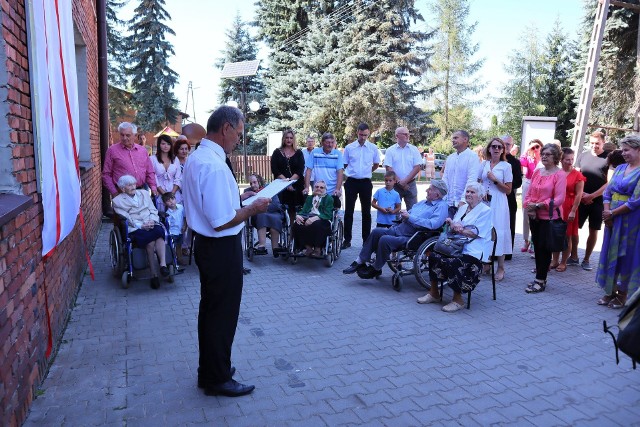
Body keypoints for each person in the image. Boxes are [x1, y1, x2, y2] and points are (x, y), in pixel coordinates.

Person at [182, 106, 270, 397]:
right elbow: (221, 222)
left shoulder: (199, 157)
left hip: (208, 247)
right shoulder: (215, 165)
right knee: (222, 315)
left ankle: (211, 369)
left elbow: (214, 204)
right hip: (220, 248)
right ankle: (217, 378)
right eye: (239, 134)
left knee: (211, 312)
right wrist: (252, 208)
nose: (239, 140)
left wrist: (241, 198)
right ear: (226, 129)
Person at [343, 180, 448, 278]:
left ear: (437, 194)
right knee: (376, 232)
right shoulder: (422, 202)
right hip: (400, 229)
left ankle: (376, 268)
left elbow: (433, 224)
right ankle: (360, 261)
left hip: (413, 236)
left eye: (430, 189)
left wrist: (410, 217)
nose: (426, 190)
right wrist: (403, 215)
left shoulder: (441, 206)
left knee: (385, 239)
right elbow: (409, 213)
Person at [417, 182, 492, 312]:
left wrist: (460, 229)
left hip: (474, 249)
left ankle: (458, 300)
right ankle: (434, 293)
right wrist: (451, 222)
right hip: (456, 245)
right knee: (434, 255)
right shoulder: (463, 208)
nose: (468, 194)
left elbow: (477, 233)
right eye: (467, 191)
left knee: (455, 262)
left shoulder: (486, 211)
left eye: (472, 192)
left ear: (480, 196)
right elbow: (455, 224)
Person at [596, 135, 640, 309]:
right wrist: (607, 212)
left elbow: (635, 201)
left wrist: (612, 213)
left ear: (638, 150)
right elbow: (608, 192)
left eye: (627, 150)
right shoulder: (620, 168)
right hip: (612, 218)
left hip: (631, 220)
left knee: (625, 254)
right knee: (609, 251)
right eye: (622, 150)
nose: (623, 153)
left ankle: (623, 294)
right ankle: (610, 291)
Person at [112, 175, 169, 289]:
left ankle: (163, 265)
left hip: (150, 222)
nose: (133, 186)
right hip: (136, 227)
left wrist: (152, 221)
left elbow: (153, 209)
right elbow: (126, 217)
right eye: (129, 185)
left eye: (134, 183)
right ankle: (154, 273)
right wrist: (141, 225)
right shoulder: (117, 201)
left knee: (159, 233)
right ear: (123, 189)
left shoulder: (143, 193)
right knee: (150, 240)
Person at [523, 144, 566, 294]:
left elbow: (559, 198)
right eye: (543, 154)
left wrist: (539, 206)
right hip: (534, 216)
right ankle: (539, 277)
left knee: (544, 249)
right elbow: (528, 193)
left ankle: (540, 280)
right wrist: (529, 206)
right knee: (537, 248)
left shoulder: (559, 174)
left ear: (556, 157)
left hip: (548, 217)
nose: (545, 156)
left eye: (548, 154)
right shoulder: (537, 172)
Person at [478, 137, 513, 281]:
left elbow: (508, 190)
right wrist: (482, 191)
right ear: (489, 149)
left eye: (500, 147)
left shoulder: (506, 166)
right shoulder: (484, 164)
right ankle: (486, 263)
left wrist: (494, 179)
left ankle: (501, 267)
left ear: (503, 150)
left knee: (499, 231)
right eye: (494, 146)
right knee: (485, 231)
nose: (496, 149)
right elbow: (478, 181)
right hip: (485, 203)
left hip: (499, 202)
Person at [575, 130, 610, 271]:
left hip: (598, 201)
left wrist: (592, 196)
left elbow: (609, 182)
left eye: (597, 143)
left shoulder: (608, 158)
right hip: (581, 198)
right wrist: (582, 194)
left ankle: (587, 259)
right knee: (574, 229)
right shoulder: (583, 156)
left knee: (593, 230)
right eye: (592, 143)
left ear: (603, 143)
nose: (594, 146)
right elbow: (576, 176)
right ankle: (573, 256)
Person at [342, 123, 380, 249]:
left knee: (366, 213)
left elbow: (375, 164)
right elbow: (345, 164)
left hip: (365, 183)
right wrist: (354, 172)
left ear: (368, 134)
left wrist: (366, 172)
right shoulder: (349, 147)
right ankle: (347, 240)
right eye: (361, 134)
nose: (363, 137)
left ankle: (366, 241)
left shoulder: (373, 148)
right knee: (348, 212)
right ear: (357, 132)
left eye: (365, 135)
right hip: (351, 182)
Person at [551, 148, 585, 272]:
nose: (570, 162)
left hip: (570, 206)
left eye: (572, 159)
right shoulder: (556, 172)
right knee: (555, 233)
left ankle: (563, 262)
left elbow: (579, 194)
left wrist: (573, 210)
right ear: (561, 159)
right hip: (557, 206)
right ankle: (554, 260)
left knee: (567, 235)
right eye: (567, 159)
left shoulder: (578, 175)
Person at [102, 122, 157, 197]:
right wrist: (114, 192)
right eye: (122, 135)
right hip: (121, 193)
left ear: (135, 136)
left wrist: (153, 187)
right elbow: (106, 174)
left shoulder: (142, 151)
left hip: (141, 192)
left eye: (128, 135)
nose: (124, 138)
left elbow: (149, 171)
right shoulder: (112, 150)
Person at [442, 130, 480, 219]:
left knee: (461, 230)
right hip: (449, 203)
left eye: (456, 138)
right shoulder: (450, 158)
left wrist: (463, 200)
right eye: (452, 138)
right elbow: (445, 178)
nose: (453, 140)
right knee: (447, 229)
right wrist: (443, 197)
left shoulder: (472, 156)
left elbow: (472, 180)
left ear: (465, 139)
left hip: (465, 203)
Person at [292, 180, 335, 257]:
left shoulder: (329, 199)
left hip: (322, 219)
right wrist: (298, 215)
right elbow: (304, 210)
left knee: (316, 225)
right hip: (308, 216)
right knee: (297, 225)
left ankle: (317, 249)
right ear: (313, 188)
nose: (319, 188)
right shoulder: (309, 198)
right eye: (317, 187)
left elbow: (328, 214)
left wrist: (316, 218)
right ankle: (308, 248)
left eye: (321, 187)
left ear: (325, 189)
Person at [383, 127, 422, 211]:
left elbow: (417, 167)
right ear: (397, 136)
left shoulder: (414, 149)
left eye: (408, 134)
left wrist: (405, 181)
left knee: (413, 211)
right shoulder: (390, 150)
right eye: (405, 134)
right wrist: (400, 182)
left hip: (410, 185)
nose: (408, 135)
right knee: (394, 211)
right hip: (395, 185)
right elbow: (389, 168)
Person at [244, 174, 283, 256]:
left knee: (276, 218)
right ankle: (262, 246)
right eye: (251, 183)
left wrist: (263, 206)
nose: (253, 185)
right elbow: (246, 206)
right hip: (258, 215)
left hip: (272, 212)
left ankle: (275, 248)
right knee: (261, 215)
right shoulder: (247, 192)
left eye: (254, 182)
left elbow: (276, 204)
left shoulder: (270, 189)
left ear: (259, 181)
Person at [271, 129, 306, 219]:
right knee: (280, 210)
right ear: (283, 139)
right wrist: (285, 184)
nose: (289, 140)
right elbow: (275, 169)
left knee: (294, 212)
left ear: (293, 139)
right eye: (287, 137)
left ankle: (292, 231)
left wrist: (290, 182)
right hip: (280, 185)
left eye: (291, 138)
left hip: (296, 186)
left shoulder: (299, 153)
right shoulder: (277, 152)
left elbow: (300, 170)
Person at [304, 132, 344, 208]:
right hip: (319, 189)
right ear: (322, 143)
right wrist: (306, 187)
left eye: (332, 142)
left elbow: (340, 172)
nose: (330, 145)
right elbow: (308, 170)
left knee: (331, 212)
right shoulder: (315, 153)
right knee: (317, 211)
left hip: (333, 190)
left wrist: (337, 189)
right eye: (328, 142)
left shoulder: (337, 154)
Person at [519, 139, 543, 253]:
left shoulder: (543, 158)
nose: (535, 149)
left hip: (540, 186)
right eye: (533, 147)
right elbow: (521, 162)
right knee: (526, 212)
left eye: (537, 147)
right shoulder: (527, 158)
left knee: (538, 213)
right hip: (528, 184)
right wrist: (528, 149)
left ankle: (534, 241)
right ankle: (525, 239)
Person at [502, 135, 523, 261]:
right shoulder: (495, 159)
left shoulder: (515, 162)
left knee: (509, 226)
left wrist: (505, 185)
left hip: (508, 198)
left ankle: (507, 252)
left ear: (512, 146)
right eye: (503, 143)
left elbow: (518, 182)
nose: (505, 146)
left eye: (508, 144)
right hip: (494, 198)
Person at [151, 134, 182, 212]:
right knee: (163, 218)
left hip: (174, 194)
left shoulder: (175, 159)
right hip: (159, 193)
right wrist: (164, 194)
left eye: (168, 144)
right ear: (159, 145)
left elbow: (178, 177)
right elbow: (153, 177)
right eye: (163, 144)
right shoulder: (152, 159)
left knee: (177, 218)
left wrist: (172, 194)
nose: (166, 146)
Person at [161, 192, 187, 265]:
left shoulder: (181, 207)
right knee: (172, 246)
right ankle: (172, 260)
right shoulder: (167, 213)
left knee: (179, 245)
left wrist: (185, 225)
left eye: (172, 199)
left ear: (175, 199)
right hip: (172, 232)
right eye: (168, 201)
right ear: (165, 203)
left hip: (180, 231)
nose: (171, 201)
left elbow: (185, 217)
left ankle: (180, 259)